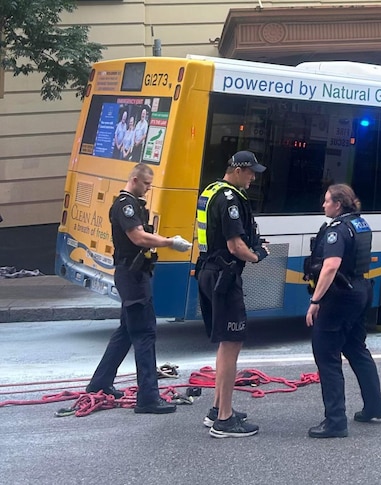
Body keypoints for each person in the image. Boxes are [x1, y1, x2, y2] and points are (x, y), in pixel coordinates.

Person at [86, 163, 193, 414]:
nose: (149, 188)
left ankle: (99, 383)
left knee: (126, 331)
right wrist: (169, 242)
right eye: (146, 184)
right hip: (132, 276)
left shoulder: (133, 204)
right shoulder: (126, 205)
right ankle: (148, 398)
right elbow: (138, 237)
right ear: (134, 180)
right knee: (145, 334)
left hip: (133, 274)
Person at [304, 184, 381, 438]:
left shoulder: (337, 231)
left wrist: (316, 301)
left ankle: (335, 422)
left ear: (338, 204)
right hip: (361, 291)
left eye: (327, 201)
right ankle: (374, 405)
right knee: (356, 349)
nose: (323, 205)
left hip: (339, 297)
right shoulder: (360, 224)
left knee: (327, 356)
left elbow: (330, 266)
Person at [196, 150, 269, 438]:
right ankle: (224, 420)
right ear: (238, 169)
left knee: (225, 343)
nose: (253, 177)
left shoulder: (210, 191)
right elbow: (235, 246)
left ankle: (217, 408)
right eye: (251, 172)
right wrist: (258, 255)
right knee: (232, 343)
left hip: (208, 272)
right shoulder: (229, 200)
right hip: (224, 276)